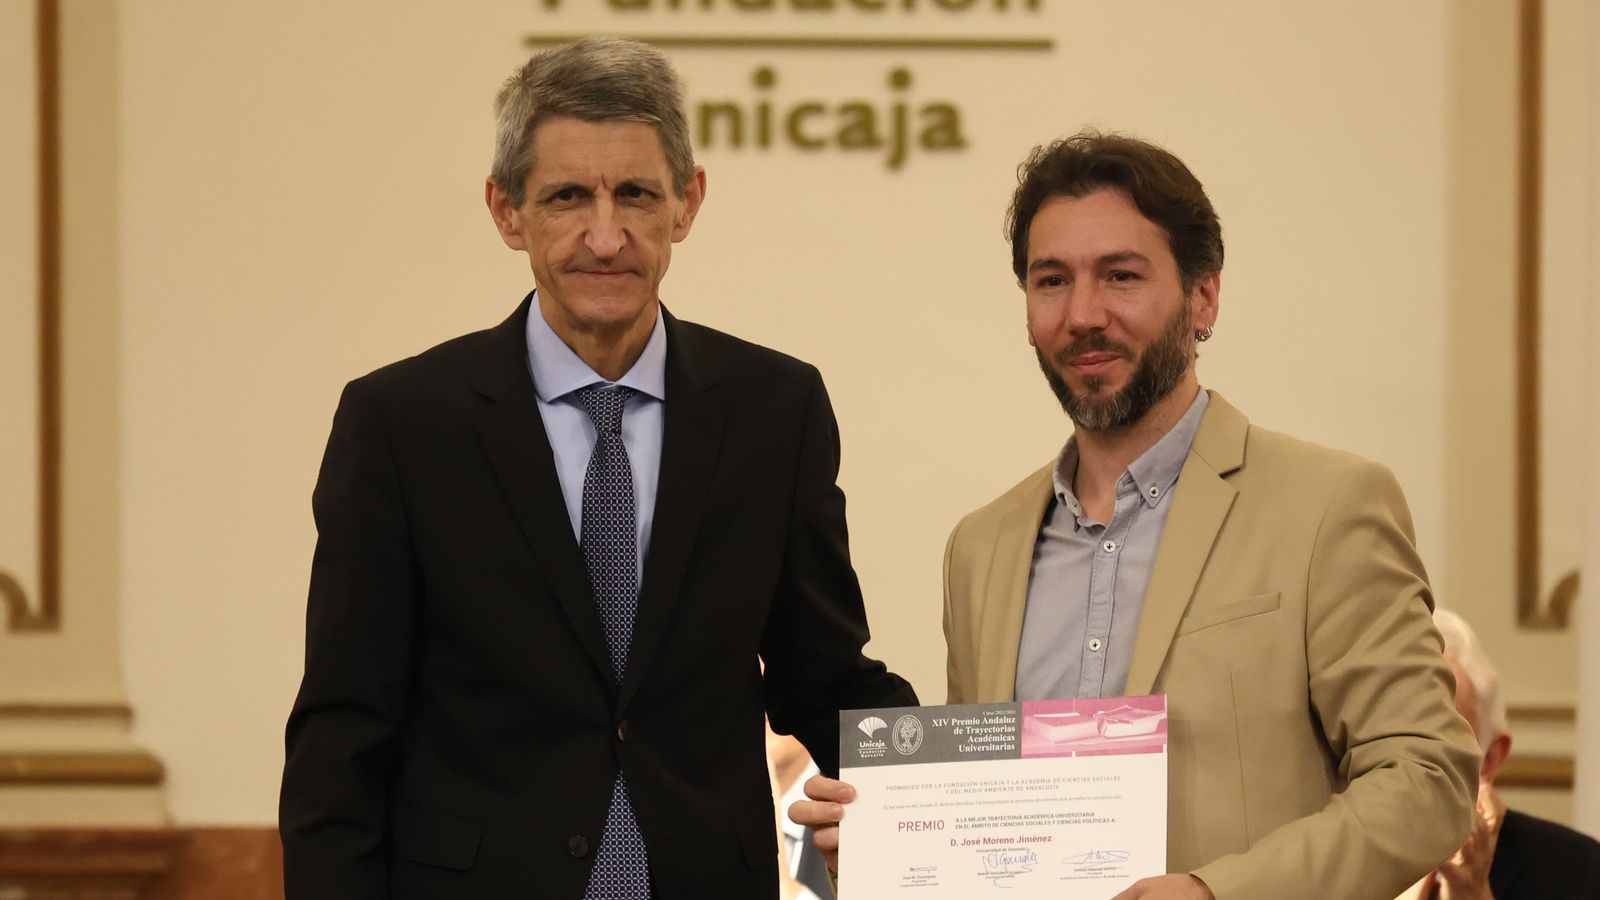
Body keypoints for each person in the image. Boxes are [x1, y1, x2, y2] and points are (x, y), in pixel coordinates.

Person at [279, 36, 915, 899]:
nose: (605, 236)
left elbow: (824, 675)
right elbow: (342, 737)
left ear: (686, 204)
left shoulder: (776, 411)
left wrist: (986, 788)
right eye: (568, 196)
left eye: (636, 195)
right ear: (508, 211)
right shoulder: (401, 424)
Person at [790, 131, 1480, 899]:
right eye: (1051, 281)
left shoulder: (1330, 506)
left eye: (1120, 276)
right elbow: (991, 842)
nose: (1084, 314)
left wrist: (1218, 894)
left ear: (1203, 296)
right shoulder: (980, 549)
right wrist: (893, 857)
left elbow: (1426, 776)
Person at [1397, 609, 1600, 900]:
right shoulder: (1321, 856)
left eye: (1438, 741)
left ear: (1490, 758)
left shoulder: (1579, 872)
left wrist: (1473, 893)